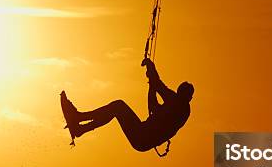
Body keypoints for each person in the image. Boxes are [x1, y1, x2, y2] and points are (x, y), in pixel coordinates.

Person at [61, 58, 193, 152]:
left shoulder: (179, 108)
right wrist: (151, 69)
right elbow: (159, 88)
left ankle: (79, 119)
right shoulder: (178, 102)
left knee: (118, 106)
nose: (175, 95)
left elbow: (155, 103)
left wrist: (152, 81)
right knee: (116, 109)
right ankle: (80, 128)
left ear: (187, 98)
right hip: (143, 134)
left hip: (143, 137)